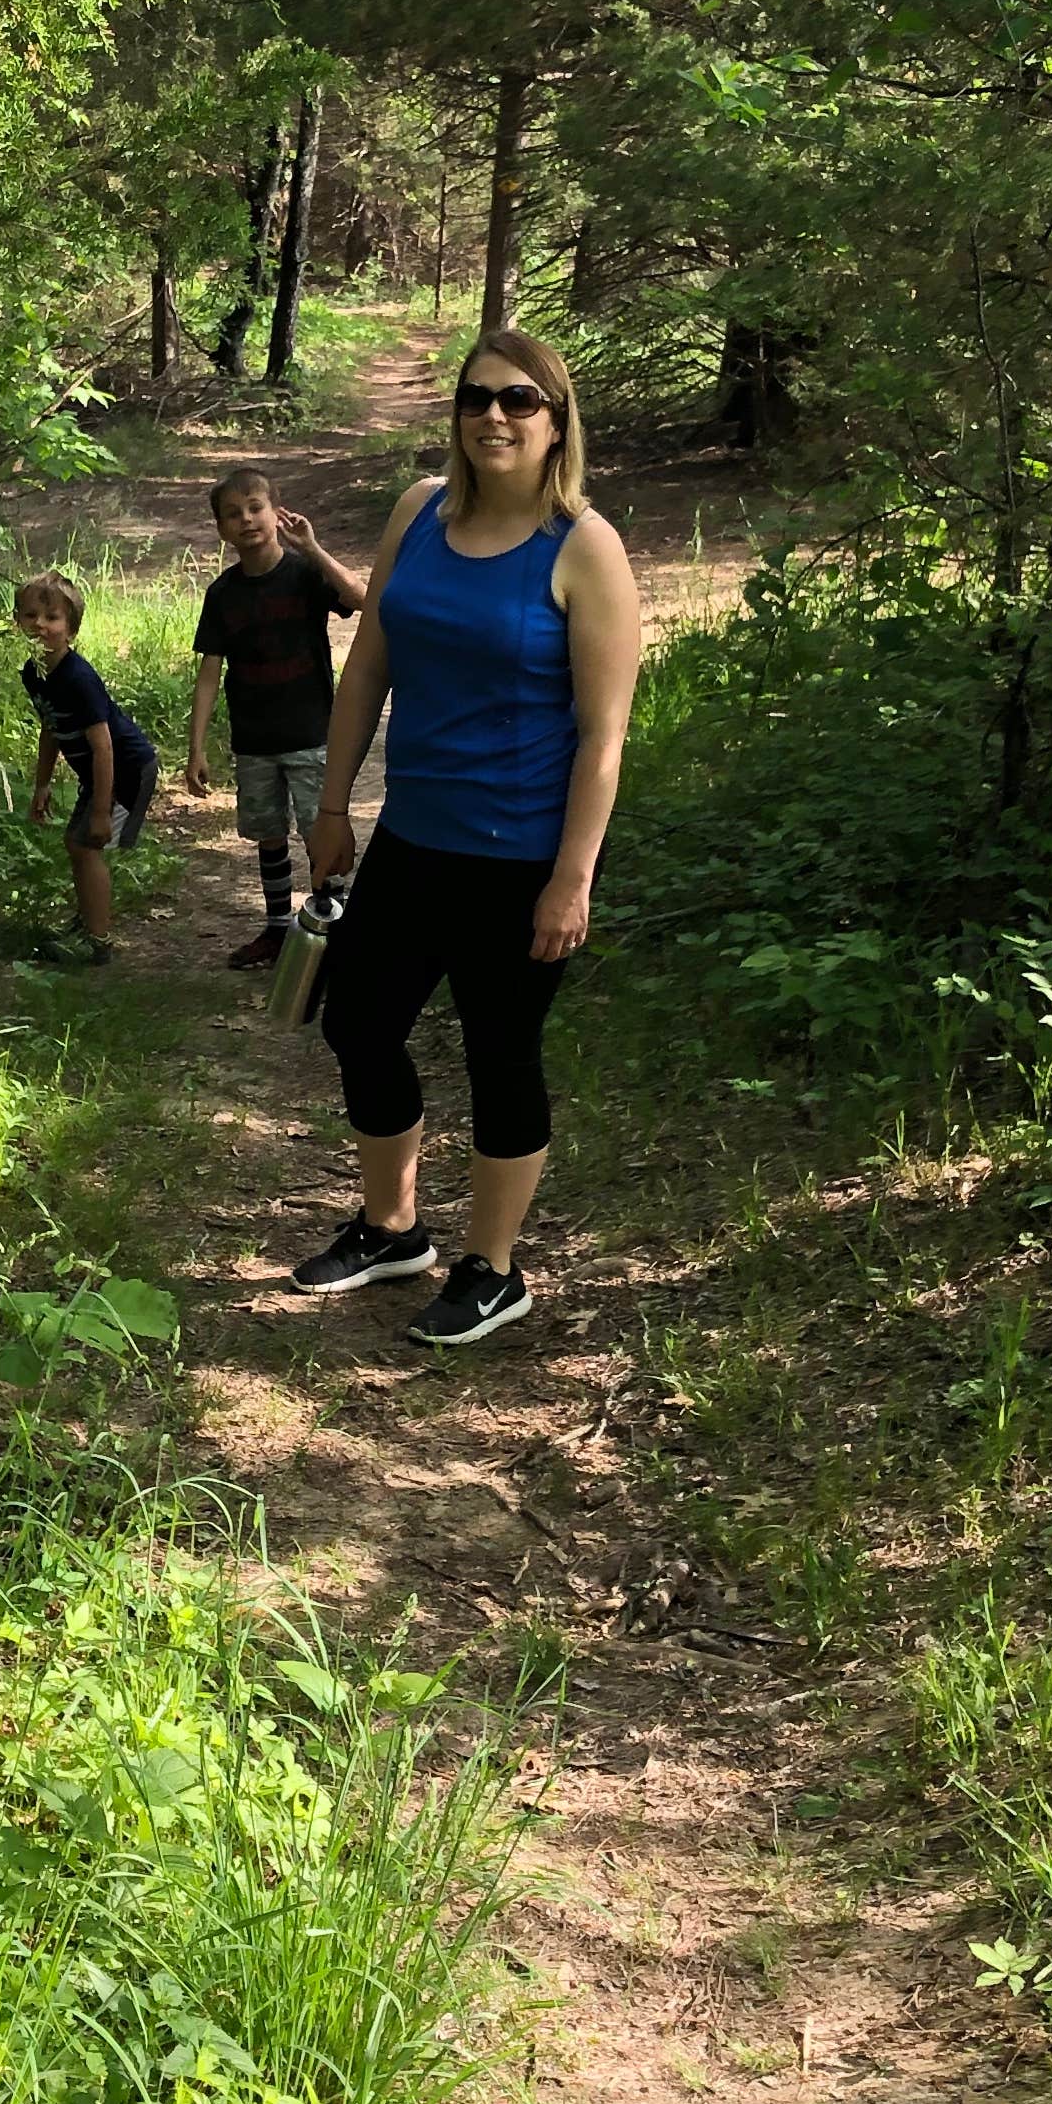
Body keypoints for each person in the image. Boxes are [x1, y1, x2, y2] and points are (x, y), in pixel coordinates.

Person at [289, 328, 643, 1346]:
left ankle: (495, 1269)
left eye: (521, 401)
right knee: (357, 1022)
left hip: (526, 851)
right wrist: (332, 806)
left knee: (500, 1052)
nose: (495, 415)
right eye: (477, 397)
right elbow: (368, 670)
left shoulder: (584, 548)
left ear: (556, 421)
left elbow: (603, 738)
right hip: (416, 835)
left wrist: (571, 878)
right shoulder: (421, 515)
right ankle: (394, 1228)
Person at [183, 471, 367, 971]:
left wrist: (313, 548)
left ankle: (335, 935)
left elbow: (363, 599)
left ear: (277, 512)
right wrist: (197, 747)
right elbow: (208, 673)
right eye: (233, 514)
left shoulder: (306, 575)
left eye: (255, 507)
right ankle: (278, 930)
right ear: (221, 529)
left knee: (320, 836)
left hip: (311, 735)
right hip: (254, 741)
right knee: (269, 835)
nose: (246, 519)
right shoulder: (223, 594)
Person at [14, 570, 157, 969]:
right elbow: (51, 726)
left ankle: (98, 941)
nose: (40, 624)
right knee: (77, 844)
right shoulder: (34, 672)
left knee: (86, 844)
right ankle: (88, 922)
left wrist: (100, 809)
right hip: (99, 772)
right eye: (30, 615)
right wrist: (42, 785)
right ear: (17, 623)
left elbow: (104, 746)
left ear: (71, 630)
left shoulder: (79, 678)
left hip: (126, 767)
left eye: (52, 617)